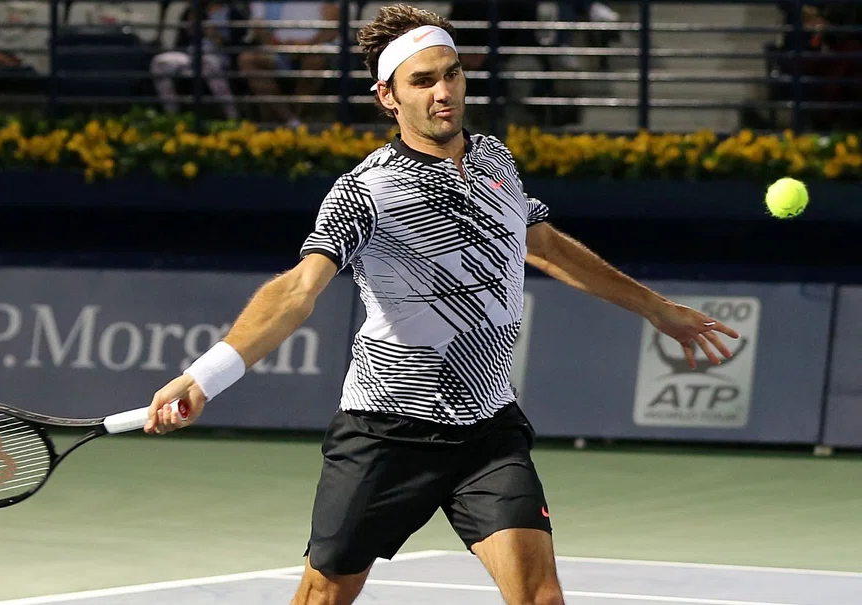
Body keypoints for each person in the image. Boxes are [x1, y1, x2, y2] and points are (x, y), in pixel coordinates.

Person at [143, 4, 739, 604]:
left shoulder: (493, 159)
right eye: (423, 81)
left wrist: (658, 310)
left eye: (451, 74)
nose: (443, 92)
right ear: (388, 96)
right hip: (386, 432)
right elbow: (296, 292)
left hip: (488, 430)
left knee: (540, 597)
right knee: (324, 596)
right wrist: (205, 376)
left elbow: (545, 246)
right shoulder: (364, 191)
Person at [150, 0, 247, 119]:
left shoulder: (233, 13)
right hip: (190, 55)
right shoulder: (192, 11)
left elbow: (237, 47)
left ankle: (233, 116)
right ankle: (172, 116)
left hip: (219, 57)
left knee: (206, 62)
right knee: (159, 63)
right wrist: (191, 31)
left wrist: (215, 36)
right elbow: (180, 43)